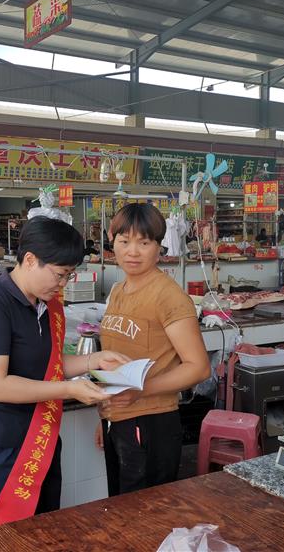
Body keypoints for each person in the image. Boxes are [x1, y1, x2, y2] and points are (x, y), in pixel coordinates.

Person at [0, 217, 129, 532]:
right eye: (60, 274)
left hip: (38, 442)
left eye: (69, 275)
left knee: (42, 532)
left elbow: (48, 363)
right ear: (31, 260)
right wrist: (70, 390)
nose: (63, 284)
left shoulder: (44, 305)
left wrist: (94, 361)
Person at [94, 203, 210, 496]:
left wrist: (141, 391)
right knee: (120, 506)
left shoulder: (168, 296)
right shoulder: (119, 290)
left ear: (159, 247)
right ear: (112, 242)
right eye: (124, 241)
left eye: (144, 243)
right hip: (118, 420)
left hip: (151, 421)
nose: (132, 252)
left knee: (146, 512)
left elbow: (198, 367)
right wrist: (105, 417)